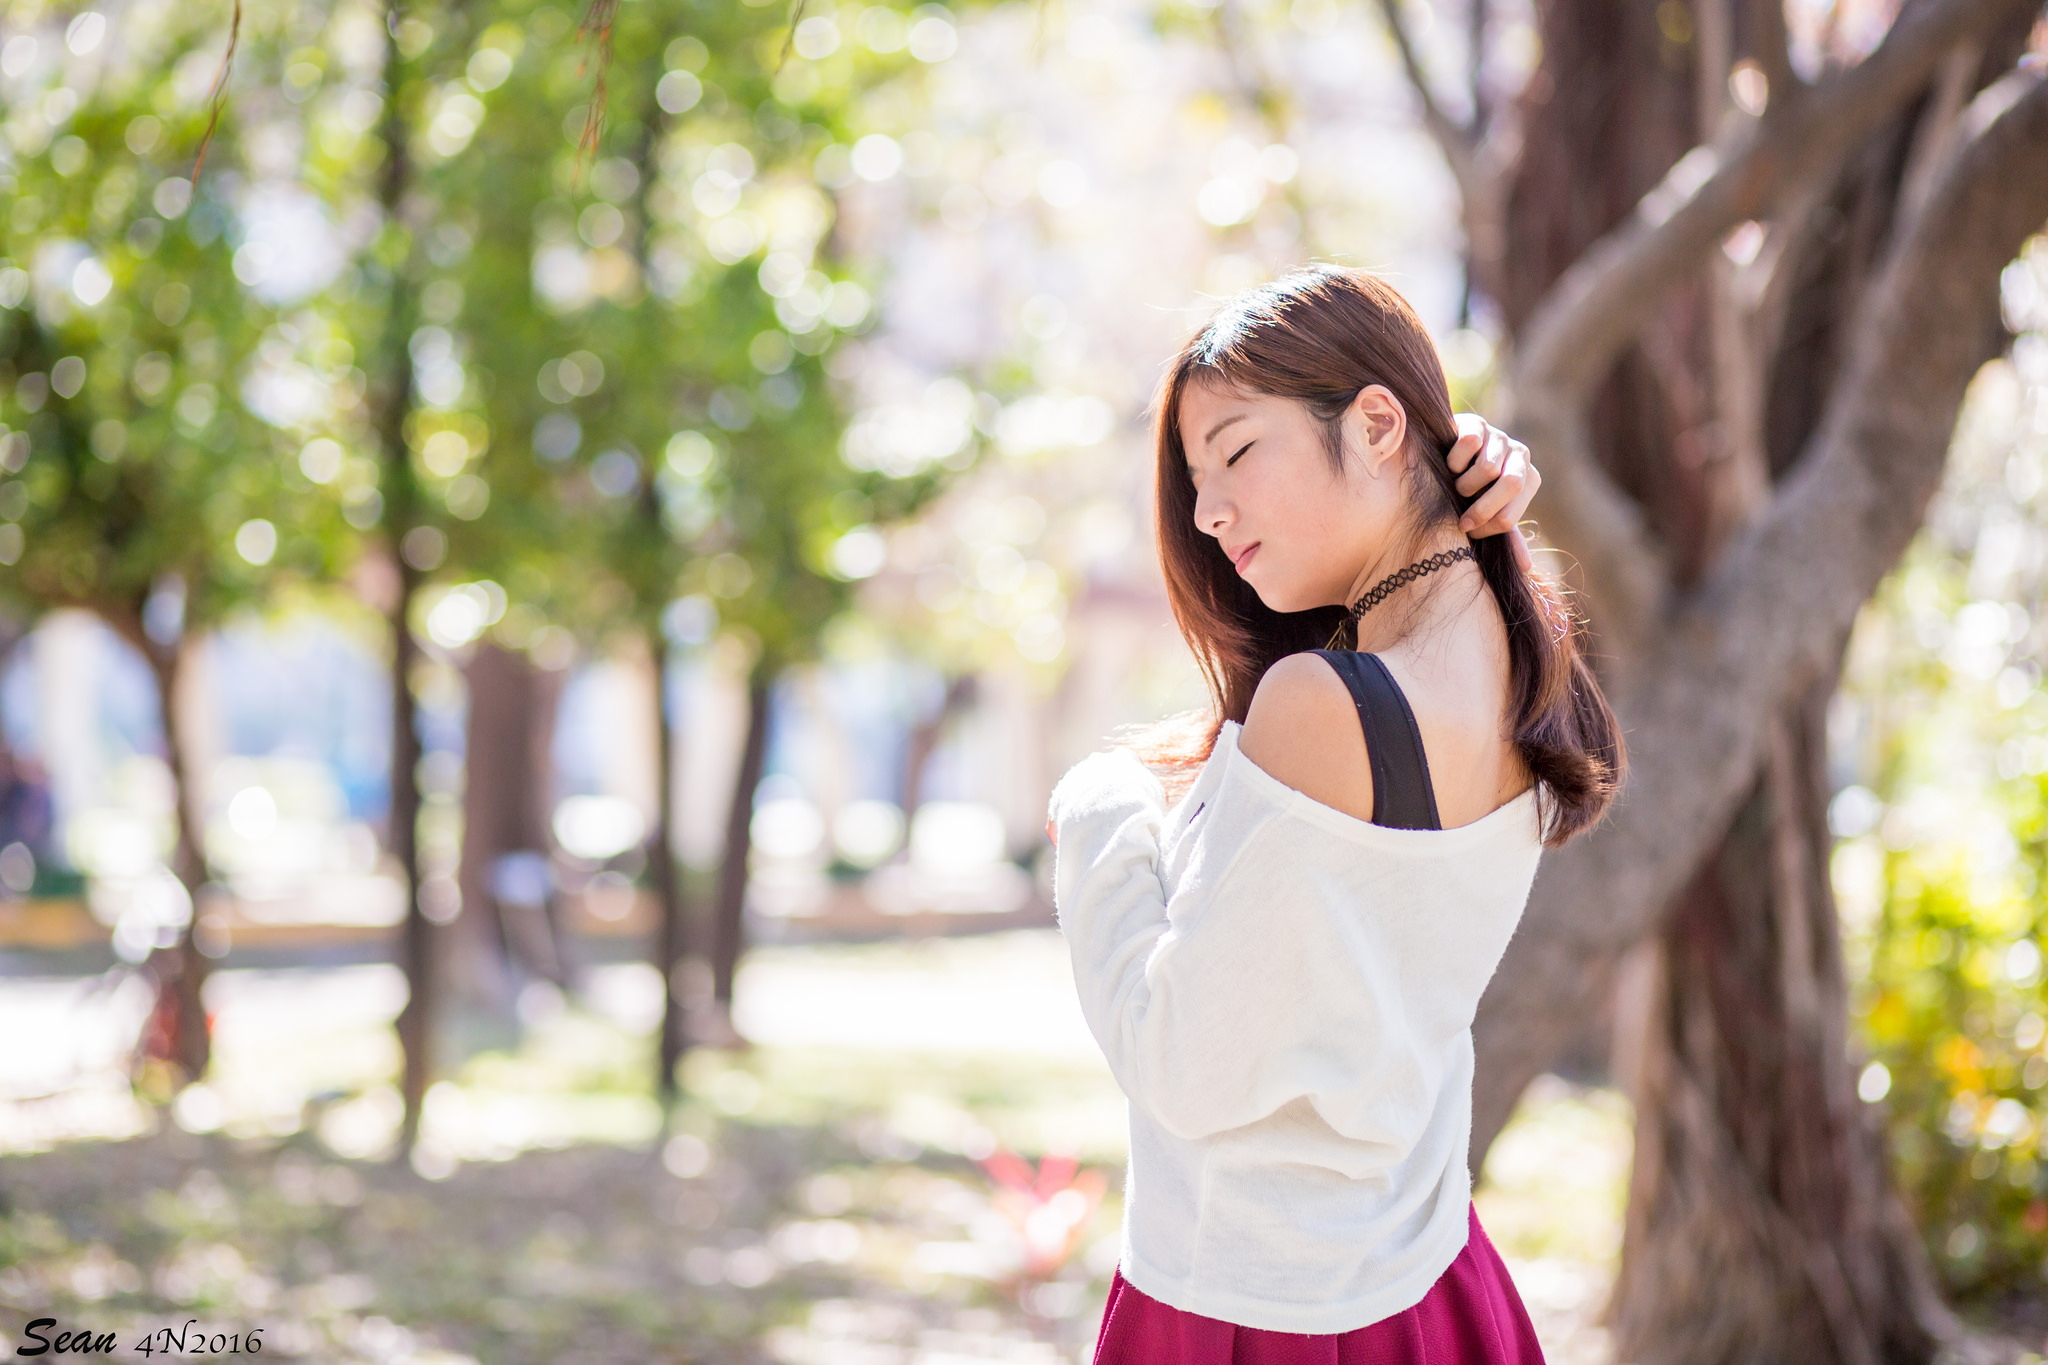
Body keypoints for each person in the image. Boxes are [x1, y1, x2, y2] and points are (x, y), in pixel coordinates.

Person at [1045, 265, 1624, 1363]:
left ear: (1372, 424)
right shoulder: (1514, 677)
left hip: (1250, 1308)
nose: (1208, 512)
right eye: (1192, 478)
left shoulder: (1324, 704)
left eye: (1235, 453)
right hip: (1427, 1285)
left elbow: (1180, 1065)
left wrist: (1097, 809)